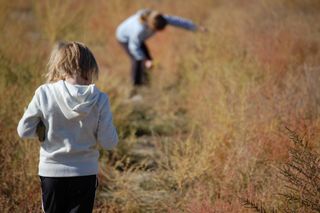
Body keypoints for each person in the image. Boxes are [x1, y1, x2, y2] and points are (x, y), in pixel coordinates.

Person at [17, 41, 118, 213]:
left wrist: (43, 128)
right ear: (91, 67)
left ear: (61, 67)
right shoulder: (100, 99)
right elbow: (109, 143)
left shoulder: (45, 92)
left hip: (51, 172)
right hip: (85, 173)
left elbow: (24, 131)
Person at [116, 9, 205, 90]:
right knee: (138, 59)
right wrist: (144, 60)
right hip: (124, 38)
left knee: (149, 60)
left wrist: (196, 27)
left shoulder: (160, 19)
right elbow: (134, 47)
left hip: (138, 40)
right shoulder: (139, 29)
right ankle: (135, 88)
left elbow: (178, 21)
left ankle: (146, 85)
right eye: (156, 30)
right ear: (151, 26)